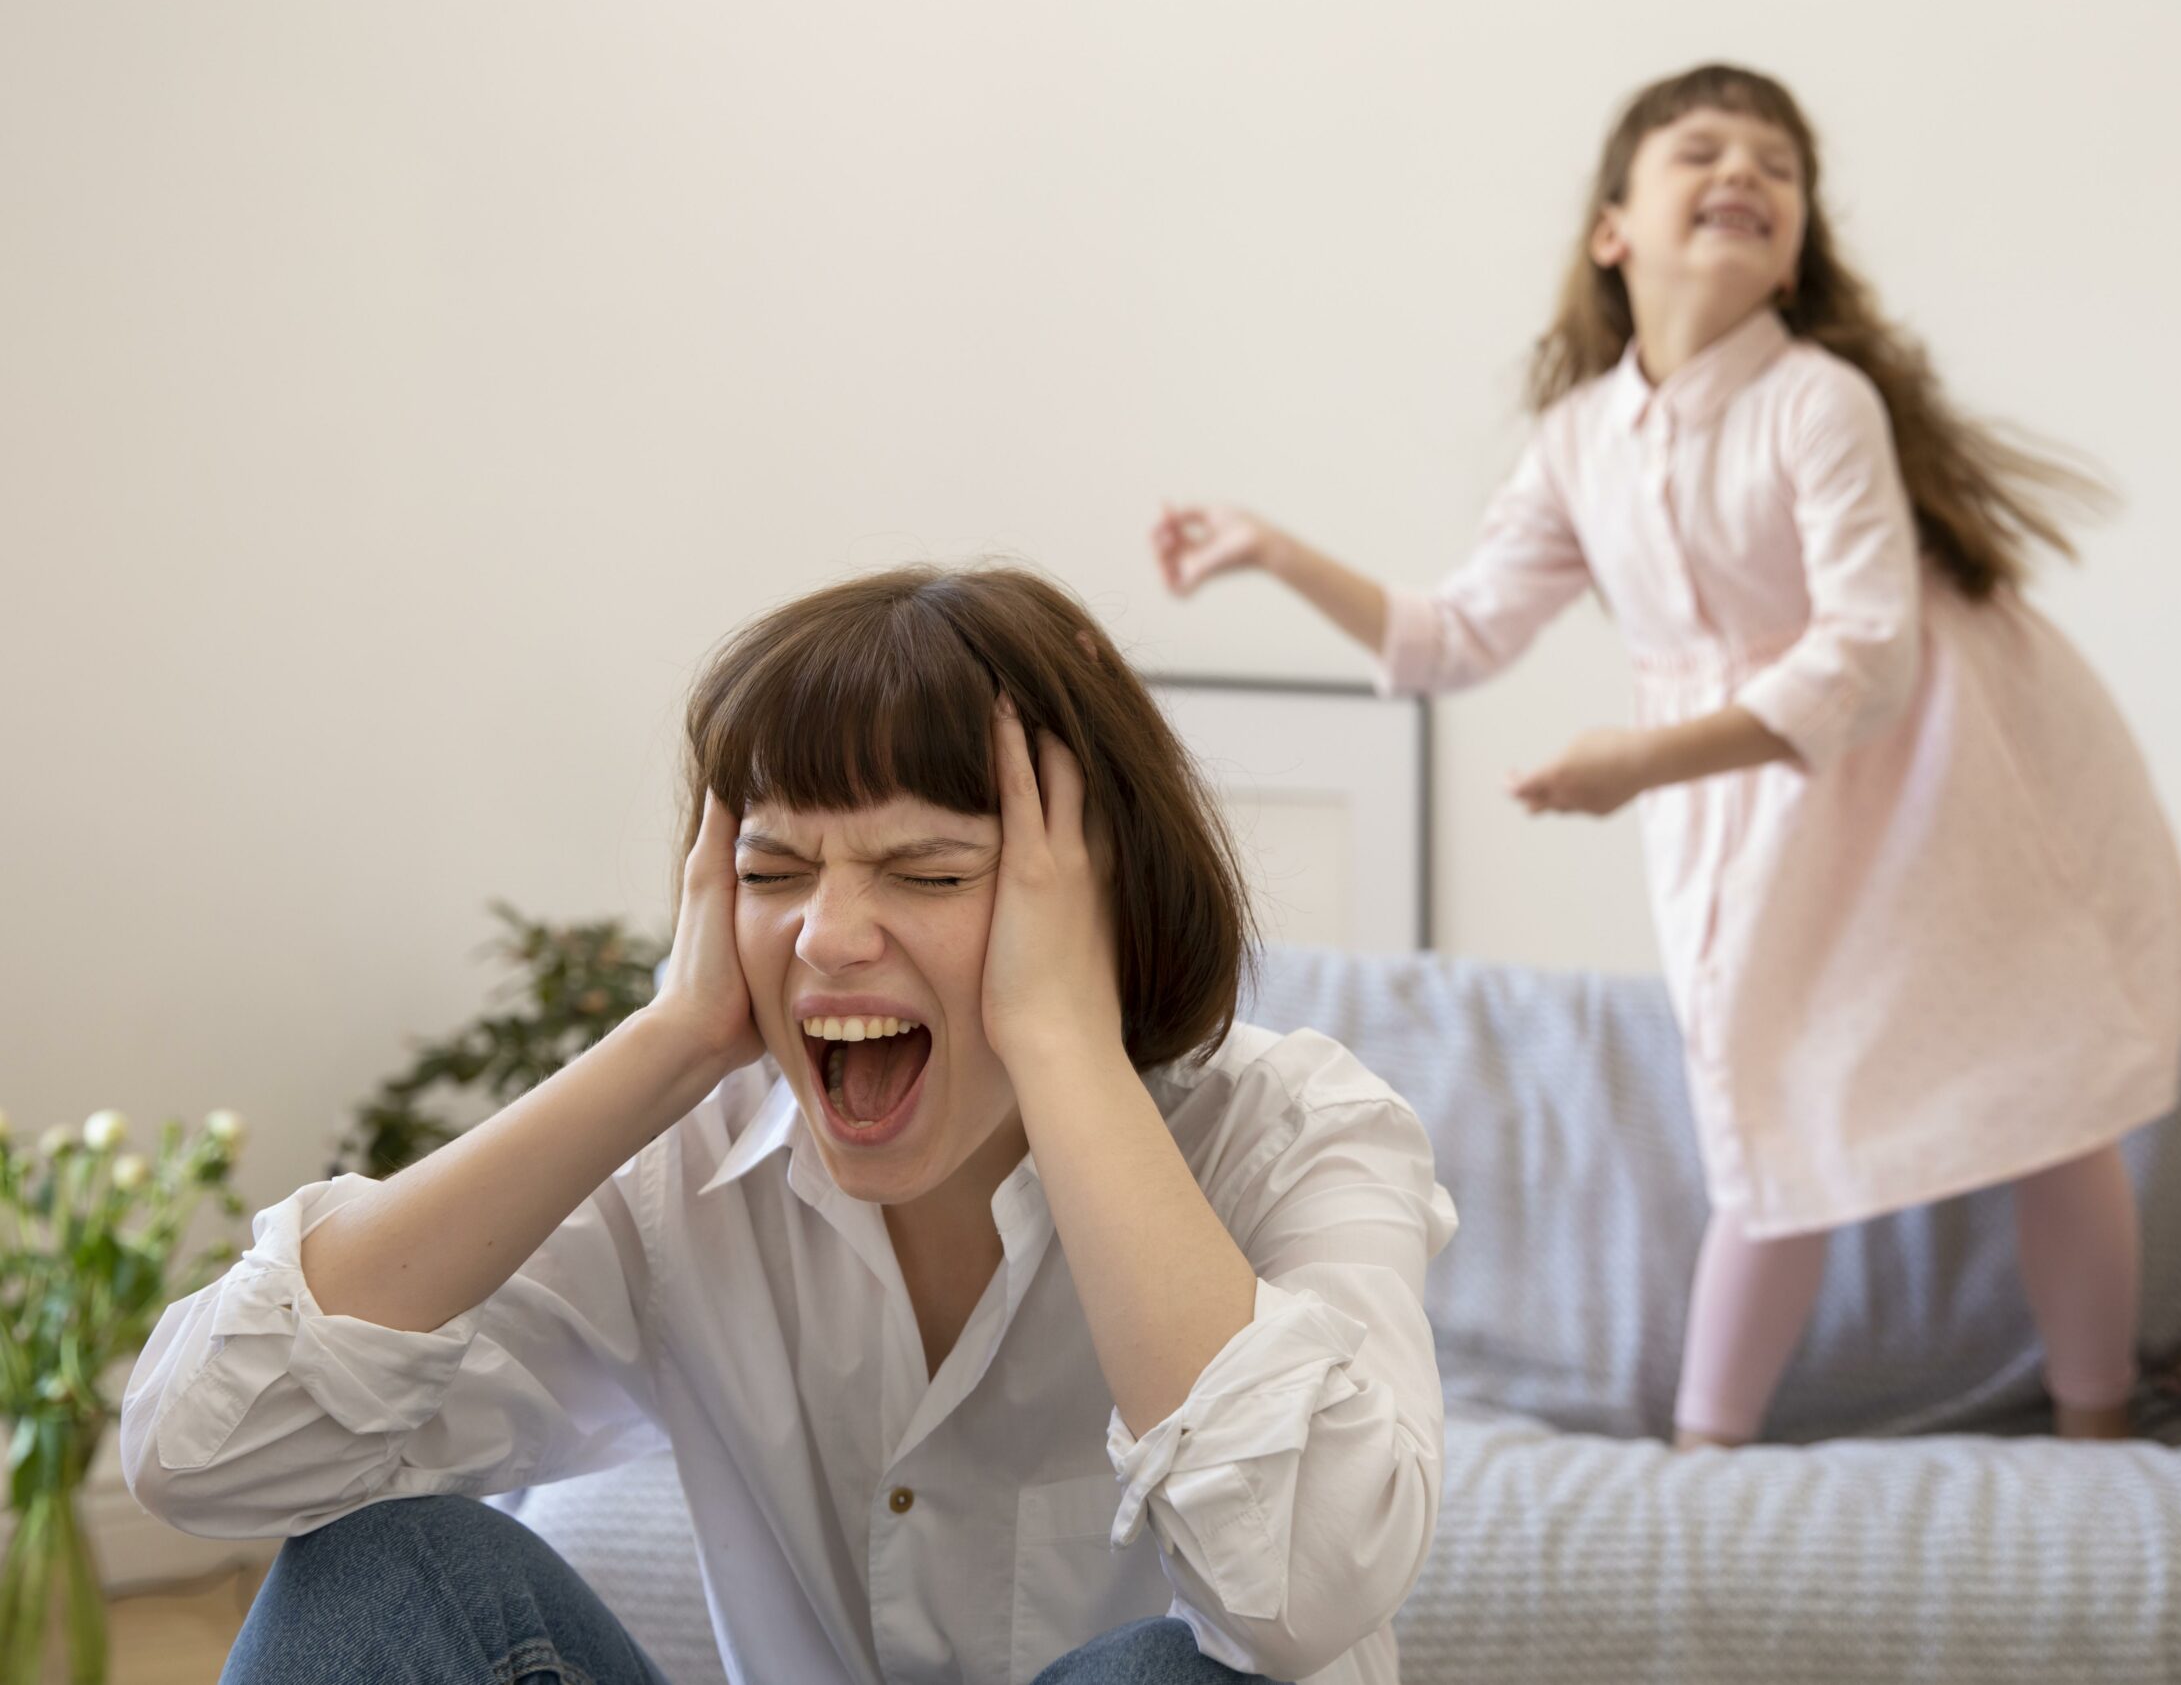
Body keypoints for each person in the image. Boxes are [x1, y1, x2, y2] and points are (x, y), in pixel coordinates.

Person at [1152, 63, 2181, 1447]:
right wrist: (1273, 550)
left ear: (1796, 247)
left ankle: (2098, 1428)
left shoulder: (1818, 401)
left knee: (2043, 1085)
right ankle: (1703, 1450)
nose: (1747, 174)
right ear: (1614, 228)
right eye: (1704, 152)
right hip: (1753, 795)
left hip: (1955, 773)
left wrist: (1642, 762)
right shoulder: (1577, 443)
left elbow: (1869, 656)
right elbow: (1451, 635)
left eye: (1778, 167)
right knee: (1765, 1102)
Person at [123, 566, 1455, 1683]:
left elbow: (1307, 1594)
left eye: (927, 870)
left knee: (1176, 1674)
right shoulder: (683, 1171)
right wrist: (674, 1039)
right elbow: (202, 1459)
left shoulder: (1294, 1133)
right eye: (773, 871)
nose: (826, 932)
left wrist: (1061, 1040)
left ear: (1093, 900)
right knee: (396, 1574)